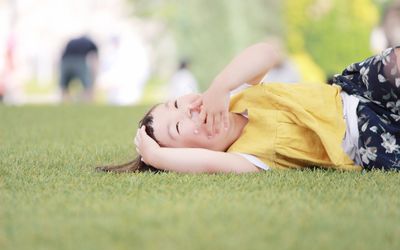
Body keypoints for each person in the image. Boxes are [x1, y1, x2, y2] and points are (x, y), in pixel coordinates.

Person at [97, 42, 400, 173]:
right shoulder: (246, 158)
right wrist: (156, 156)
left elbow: (268, 53)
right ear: (186, 152)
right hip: (366, 138)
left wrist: (221, 84)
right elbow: (207, 165)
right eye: (177, 127)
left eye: (176, 103)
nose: (186, 110)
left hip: (353, 91)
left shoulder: (237, 95)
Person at [59, 35, 98, 102]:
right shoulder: (91, 43)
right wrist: (93, 77)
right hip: (80, 60)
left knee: (64, 86)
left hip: (65, 61)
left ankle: (65, 103)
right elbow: (95, 60)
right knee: (87, 86)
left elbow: (63, 52)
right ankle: (87, 102)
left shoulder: (71, 41)